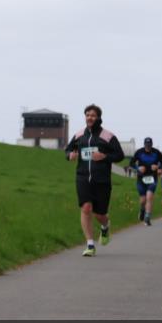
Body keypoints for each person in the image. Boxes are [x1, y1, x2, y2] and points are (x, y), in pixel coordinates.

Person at [65, 104, 125, 257]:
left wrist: (104, 157)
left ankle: (105, 226)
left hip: (102, 180)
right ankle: (90, 244)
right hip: (83, 177)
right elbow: (68, 149)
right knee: (86, 208)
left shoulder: (108, 136)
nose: (89, 118)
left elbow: (120, 155)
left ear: (98, 117)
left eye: (92, 115)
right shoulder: (79, 135)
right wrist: (70, 155)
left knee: (100, 214)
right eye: (87, 115)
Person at [129, 137, 162, 226]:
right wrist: (138, 168)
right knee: (142, 200)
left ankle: (147, 217)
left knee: (149, 197)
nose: (148, 146)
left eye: (149, 145)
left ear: (151, 144)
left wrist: (158, 167)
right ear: (144, 144)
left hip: (152, 178)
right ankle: (142, 210)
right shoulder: (139, 152)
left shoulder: (156, 152)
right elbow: (131, 163)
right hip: (141, 178)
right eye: (146, 144)